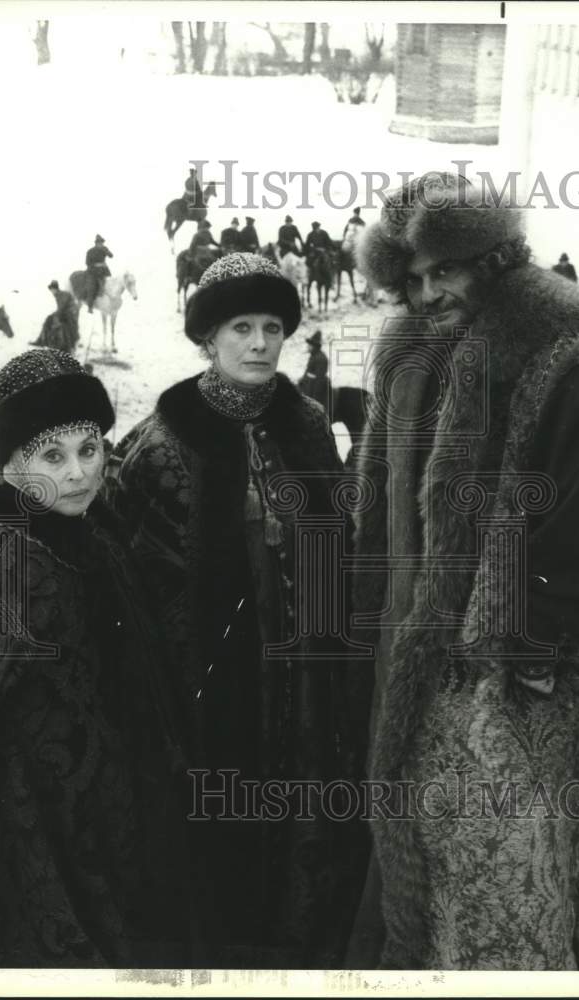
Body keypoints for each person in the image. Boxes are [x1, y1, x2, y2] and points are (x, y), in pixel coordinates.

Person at [349, 172, 579, 971]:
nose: (427, 294)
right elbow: (375, 497)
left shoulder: (562, 362)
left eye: (442, 271)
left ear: (492, 260)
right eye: (411, 280)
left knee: (515, 868)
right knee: (431, 851)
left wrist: (528, 643)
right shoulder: (408, 356)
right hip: (415, 658)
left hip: (517, 675)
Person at [103, 253, 371, 969]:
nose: (259, 343)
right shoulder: (162, 443)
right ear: (208, 340)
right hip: (208, 690)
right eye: (241, 327)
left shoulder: (309, 427)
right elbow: (127, 579)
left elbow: (339, 546)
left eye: (272, 327)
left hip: (306, 678)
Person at [0, 349, 188, 968]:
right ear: (14, 466)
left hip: (122, 814)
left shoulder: (93, 535)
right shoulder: (14, 569)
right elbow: (3, 746)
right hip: (51, 840)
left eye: (89, 448)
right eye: (53, 456)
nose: (78, 473)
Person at [31, 280, 79, 351]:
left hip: (70, 315)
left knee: (57, 322)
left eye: (53, 290)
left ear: (56, 289)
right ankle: (42, 340)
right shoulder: (59, 295)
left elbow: (62, 308)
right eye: (51, 290)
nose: (52, 292)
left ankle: (60, 344)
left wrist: (57, 315)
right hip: (66, 313)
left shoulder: (62, 295)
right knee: (49, 319)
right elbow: (61, 309)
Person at [298, 329, 331, 413]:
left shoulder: (321, 358)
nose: (307, 347)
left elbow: (319, 379)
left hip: (314, 388)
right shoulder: (313, 356)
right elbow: (308, 372)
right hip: (308, 384)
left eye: (309, 345)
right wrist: (301, 381)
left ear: (314, 346)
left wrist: (314, 400)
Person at [84, 234, 113, 314]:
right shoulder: (90, 251)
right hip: (92, 272)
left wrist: (106, 251)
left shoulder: (104, 249)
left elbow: (111, 256)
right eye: (99, 243)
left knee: (110, 285)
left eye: (102, 242)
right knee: (91, 287)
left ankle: (111, 303)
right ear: (96, 243)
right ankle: (90, 307)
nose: (101, 244)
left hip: (103, 271)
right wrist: (97, 265)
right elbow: (87, 263)